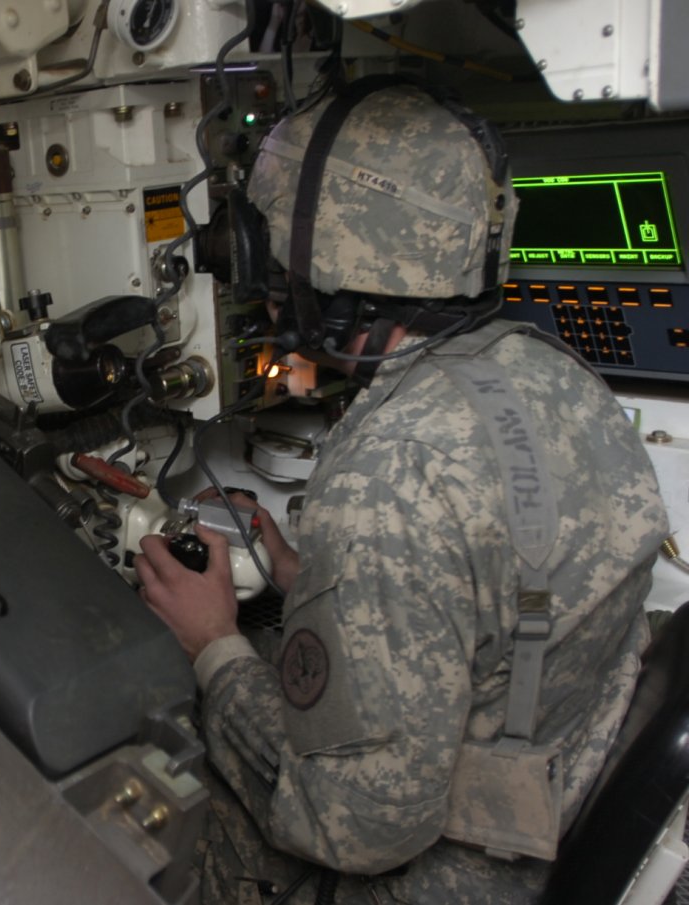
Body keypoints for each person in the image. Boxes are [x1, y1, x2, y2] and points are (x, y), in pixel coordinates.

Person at [135, 79, 669, 904]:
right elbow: (497, 587)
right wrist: (302, 575)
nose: (265, 279)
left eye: (272, 252)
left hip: (468, 873)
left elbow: (353, 826)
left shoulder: (390, 475)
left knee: (165, 813)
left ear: (333, 259)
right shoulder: (552, 374)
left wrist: (212, 644)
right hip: (563, 771)